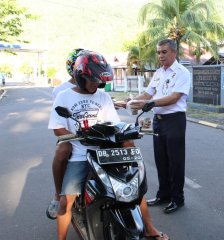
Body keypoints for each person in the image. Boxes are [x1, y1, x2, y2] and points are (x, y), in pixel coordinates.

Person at [48, 51, 169, 240]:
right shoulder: (63, 96)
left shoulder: (103, 96)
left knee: (131, 188)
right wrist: (78, 137)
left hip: (106, 152)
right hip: (81, 153)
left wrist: (127, 131)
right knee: (67, 200)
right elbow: (57, 128)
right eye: (93, 81)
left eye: (99, 82)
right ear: (80, 76)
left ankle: (149, 227)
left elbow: (113, 123)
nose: (97, 85)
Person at [127, 39, 191, 214]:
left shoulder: (182, 72)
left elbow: (174, 97)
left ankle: (177, 198)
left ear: (174, 53)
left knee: (175, 162)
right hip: (158, 120)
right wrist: (130, 101)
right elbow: (148, 94)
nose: (160, 56)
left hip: (174, 120)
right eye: (158, 52)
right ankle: (164, 195)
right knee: (161, 160)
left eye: (164, 52)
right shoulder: (158, 73)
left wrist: (149, 104)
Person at [46, 48, 84, 220]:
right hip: (70, 133)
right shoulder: (60, 91)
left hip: (92, 133)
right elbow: (58, 119)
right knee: (63, 150)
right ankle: (58, 194)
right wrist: (71, 134)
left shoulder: (93, 83)